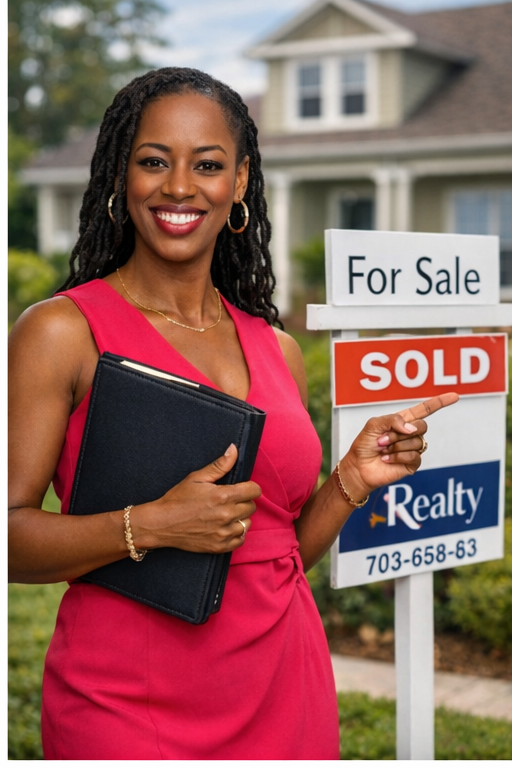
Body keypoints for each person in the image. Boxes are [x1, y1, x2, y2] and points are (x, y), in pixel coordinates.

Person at [8, 67, 458, 760]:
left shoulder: (276, 346)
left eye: (208, 165)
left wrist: (350, 481)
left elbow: (272, 554)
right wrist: (149, 525)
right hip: (127, 704)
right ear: (119, 178)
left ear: (240, 182)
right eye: (154, 161)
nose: (180, 187)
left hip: (284, 686)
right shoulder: (62, 331)